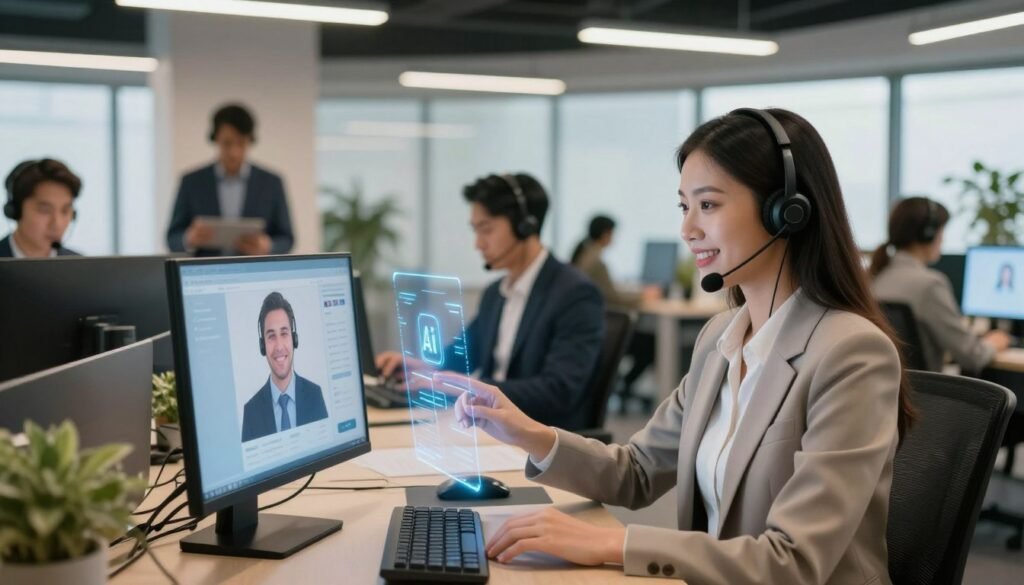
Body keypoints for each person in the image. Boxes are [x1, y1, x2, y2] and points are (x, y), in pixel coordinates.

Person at [437, 108, 914, 585]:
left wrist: (611, 543)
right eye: (684, 207)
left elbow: (793, 561)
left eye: (708, 205)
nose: (688, 230)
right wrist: (526, 432)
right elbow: (637, 471)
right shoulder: (719, 341)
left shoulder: (851, 355)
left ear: (785, 211)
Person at [376, 173, 605, 431]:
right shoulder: (496, 293)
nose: (478, 244)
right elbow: (466, 353)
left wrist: (466, 387)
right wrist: (425, 367)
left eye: (486, 229)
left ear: (525, 225)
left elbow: (558, 391)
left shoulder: (575, 294)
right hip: (492, 430)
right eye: (475, 230)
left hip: (539, 438)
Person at [870, 196, 1010, 372]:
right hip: (925, 393)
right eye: (942, 231)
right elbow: (972, 357)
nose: (943, 239)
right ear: (928, 234)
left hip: (893, 392)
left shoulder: (874, 278)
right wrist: (994, 342)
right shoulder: (929, 285)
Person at [166, 103, 294, 256]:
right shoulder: (191, 182)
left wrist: (267, 246)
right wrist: (189, 238)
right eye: (227, 143)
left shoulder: (272, 183)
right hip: (205, 274)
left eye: (241, 143)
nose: (234, 152)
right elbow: (172, 238)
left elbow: (287, 238)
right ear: (215, 139)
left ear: (250, 141)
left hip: (255, 274)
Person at [570, 214, 661, 410]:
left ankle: (624, 386)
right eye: (613, 234)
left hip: (590, 328)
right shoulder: (596, 262)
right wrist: (644, 296)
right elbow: (613, 298)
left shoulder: (584, 254)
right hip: (602, 332)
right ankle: (626, 386)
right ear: (605, 234)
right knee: (652, 343)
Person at [241, 292, 327, 442]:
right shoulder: (251, 411)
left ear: (294, 339)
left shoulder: (315, 396)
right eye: (271, 336)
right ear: (263, 346)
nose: (279, 346)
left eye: (284, 333)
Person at [1, 158, 82, 257]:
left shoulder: (81, 267)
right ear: (16, 211)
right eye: (45, 210)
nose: (57, 224)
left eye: (65, 211)